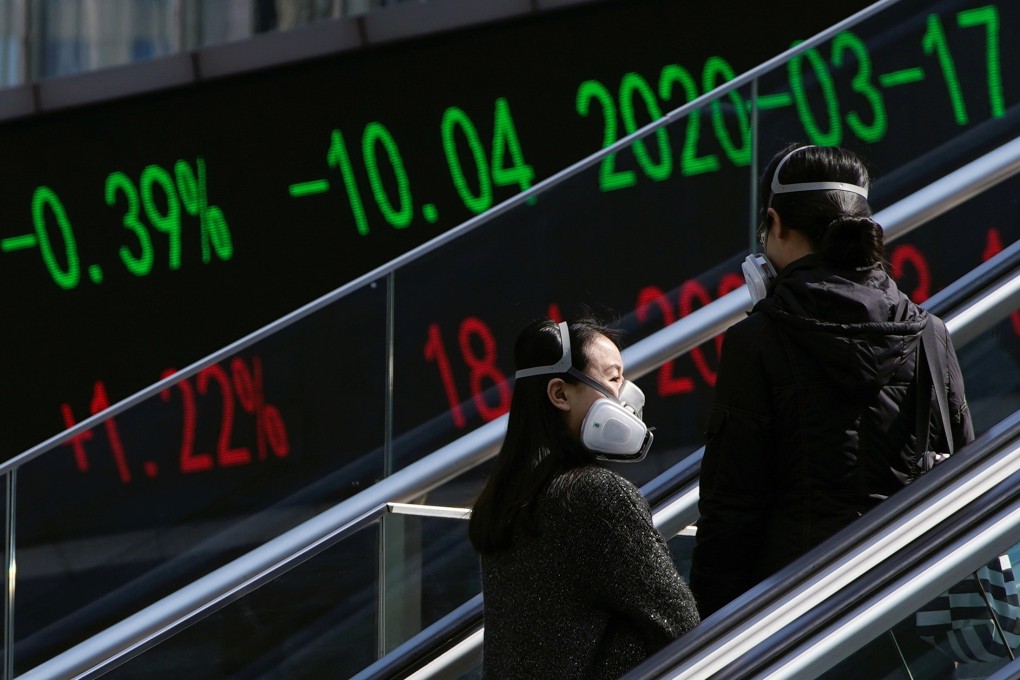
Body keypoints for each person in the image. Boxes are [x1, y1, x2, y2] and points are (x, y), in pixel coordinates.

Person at [690, 143, 974, 620]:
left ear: (776, 223)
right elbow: (966, 477)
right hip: (913, 609)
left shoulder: (756, 341)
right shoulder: (929, 334)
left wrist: (703, 637)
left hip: (794, 623)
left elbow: (730, 512)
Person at [469, 317, 700, 679]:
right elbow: (680, 625)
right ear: (560, 394)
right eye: (612, 378)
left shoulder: (505, 502)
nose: (625, 395)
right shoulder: (597, 496)